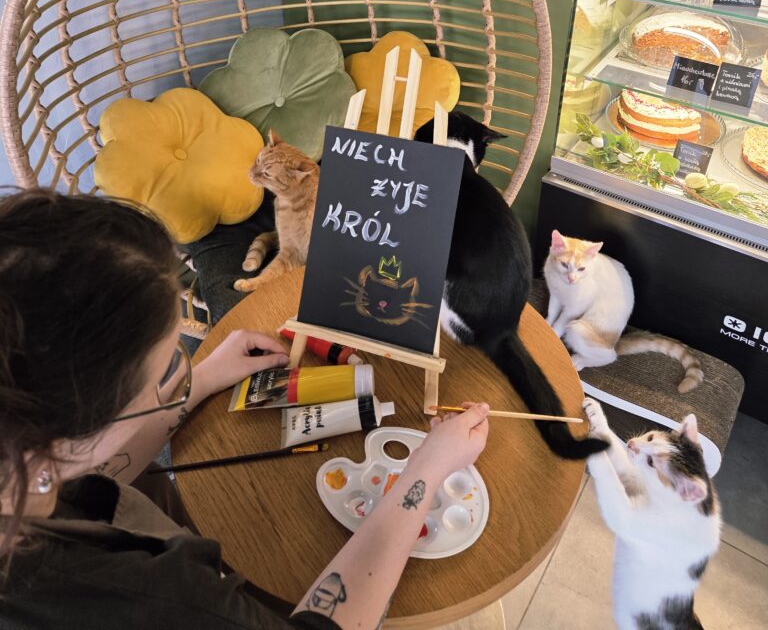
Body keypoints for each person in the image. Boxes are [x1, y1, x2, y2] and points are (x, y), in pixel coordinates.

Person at [0, 189, 489, 630]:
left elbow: (89, 472)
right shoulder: (156, 598)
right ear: (62, 437)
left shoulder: (25, 454)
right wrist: (424, 472)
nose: (181, 373)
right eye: (167, 369)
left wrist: (205, 377)